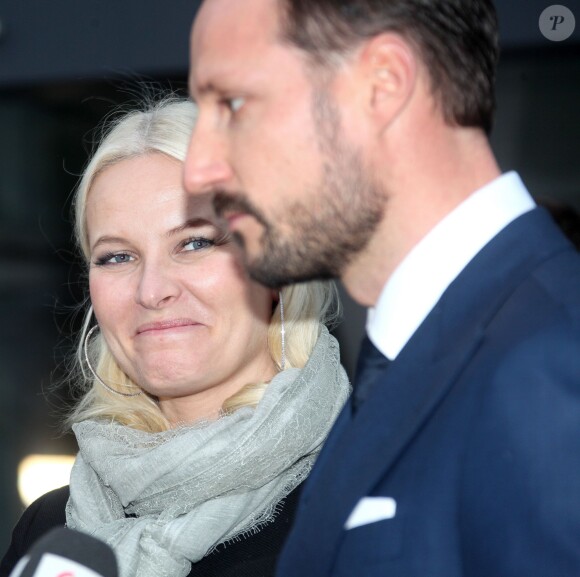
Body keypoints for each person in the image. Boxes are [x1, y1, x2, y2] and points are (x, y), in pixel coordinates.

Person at [185, 1, 580, 576]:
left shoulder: (552, 365)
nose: (197, 169)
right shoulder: (409, 365)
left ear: (384, 84)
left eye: (233, 104)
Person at [0, 97, 350, 577]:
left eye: (194, 243)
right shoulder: (51, 531)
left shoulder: (368, 500)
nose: (152, 290)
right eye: (117, 257)